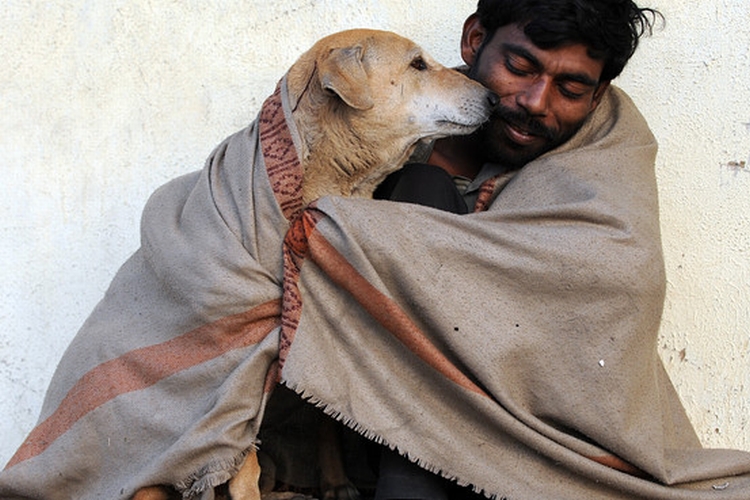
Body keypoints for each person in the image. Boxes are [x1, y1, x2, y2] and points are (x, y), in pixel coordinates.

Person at [371, 1, 663, 498]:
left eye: (571, 89)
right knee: (423, 187)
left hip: (527, 438)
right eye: (520, 68)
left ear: (597, 97)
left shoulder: (607, 158)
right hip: (386, 426)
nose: (535, 101)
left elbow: (620, 283)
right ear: (474, 39)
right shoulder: (385, 122)